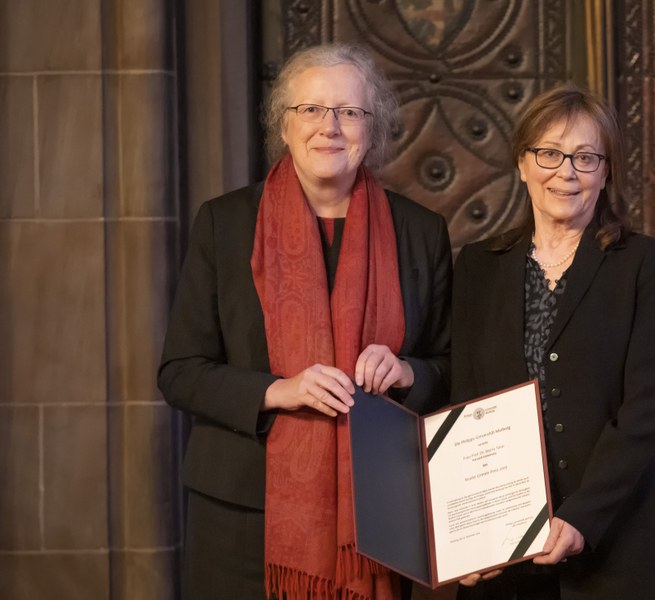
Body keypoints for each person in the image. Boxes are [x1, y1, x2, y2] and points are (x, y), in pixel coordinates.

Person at [158, 42, 452, 600]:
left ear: (374, 128)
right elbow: (180, 372)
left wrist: (408, 371)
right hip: (243, 516)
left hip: (377, 514)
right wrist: (279, 391)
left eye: (349, 112)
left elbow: (451, 365)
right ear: (285, 126)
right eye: (312, 110)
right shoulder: (224, 224)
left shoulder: (422, 231)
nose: (330, 127)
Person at [451, 85, 655, 600]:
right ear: (522, 164)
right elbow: (466, 403)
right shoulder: (477, 267)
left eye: (586, 157)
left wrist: (582, 516)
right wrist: (468, 539)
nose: (566, 171)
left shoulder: (641, 263)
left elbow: (646, 409)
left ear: (605, 172)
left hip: (620, 543)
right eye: (549, 153)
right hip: (507, 554)